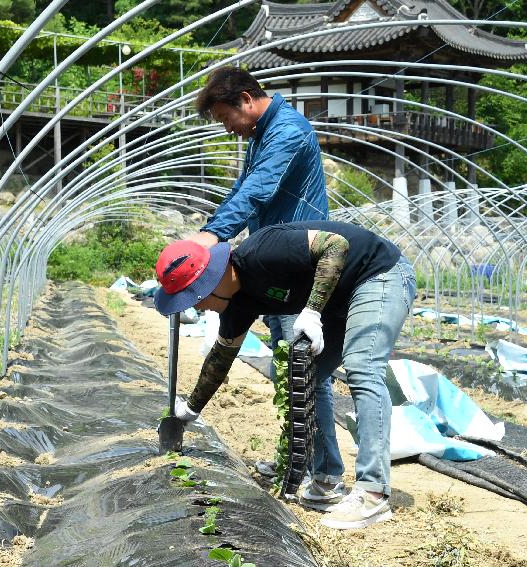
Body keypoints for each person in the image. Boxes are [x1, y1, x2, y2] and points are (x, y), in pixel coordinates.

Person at [153, 221, 416, 530]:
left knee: (362, 367)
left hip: (378, 274)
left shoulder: (262, 252)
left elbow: (335, 245)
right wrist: (190, 410)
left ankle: (372, 493)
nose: (201, 308)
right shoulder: (237, 304)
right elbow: (221, 357)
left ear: (208, 282)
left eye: (196, 299)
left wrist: (313, 311)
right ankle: (328, 480)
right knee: (307, 376)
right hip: (340, 297)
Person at [189, 65, 328, 365]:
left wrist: (213, 236)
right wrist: (209, 230)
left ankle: (305, 415)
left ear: (246, 99)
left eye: (226, 118)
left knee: (303, 373)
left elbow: (257, 190)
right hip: (277, 262)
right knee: (283, 359)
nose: (227, 128)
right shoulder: (259, 137)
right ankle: (291, 415)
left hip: (300, 263)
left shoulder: (287, 132)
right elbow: (241, 190)